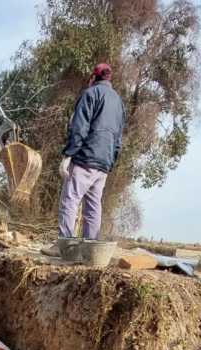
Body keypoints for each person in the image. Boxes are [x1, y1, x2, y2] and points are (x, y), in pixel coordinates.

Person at [42, 63, 125, 257]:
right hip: (104, 162)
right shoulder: (119, 102)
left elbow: (80, 128)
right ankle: (91, 251)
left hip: (86, 157)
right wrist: (111, 160)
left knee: (70, 200)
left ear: (93, 78)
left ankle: (64, 246)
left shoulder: (91, 94)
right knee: (93, 206)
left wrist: (69, 154)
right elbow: (119, 137)